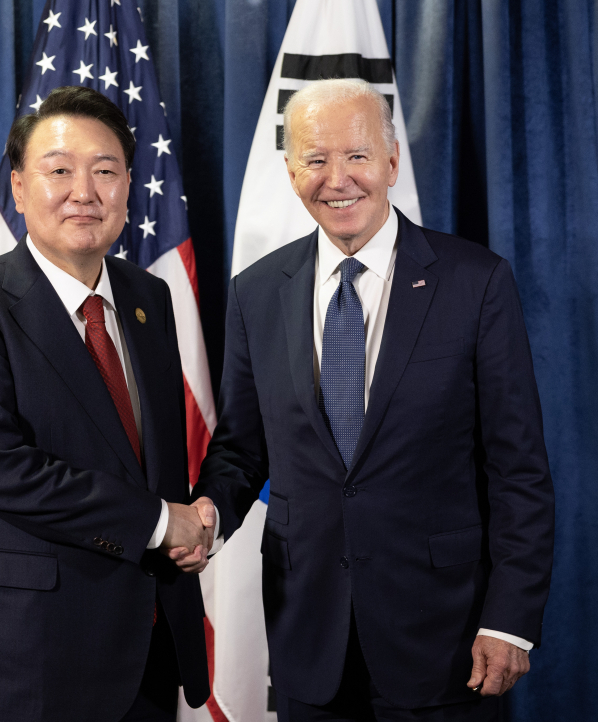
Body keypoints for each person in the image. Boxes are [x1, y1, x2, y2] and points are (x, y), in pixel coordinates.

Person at [190, 79, 554, 721]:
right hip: (309, 636)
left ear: (390, 162)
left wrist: (511, 619)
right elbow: (243, 449)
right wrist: (207, 516)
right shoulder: (256, 293)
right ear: (291, 170)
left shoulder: (476, 283)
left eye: (357, 156)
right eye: (316, 158)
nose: (338, 179)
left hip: (445, 640)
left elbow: (517, 470)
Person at [0, 86, 215, 722]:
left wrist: (185, 524)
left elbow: (149, 460)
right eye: (59, 171)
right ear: (20, 189)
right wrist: (161, 523)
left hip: (146, 647)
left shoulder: (148, 297)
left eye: (105, 170)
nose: (85, 191)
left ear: (129, 185)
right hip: (23, 659)